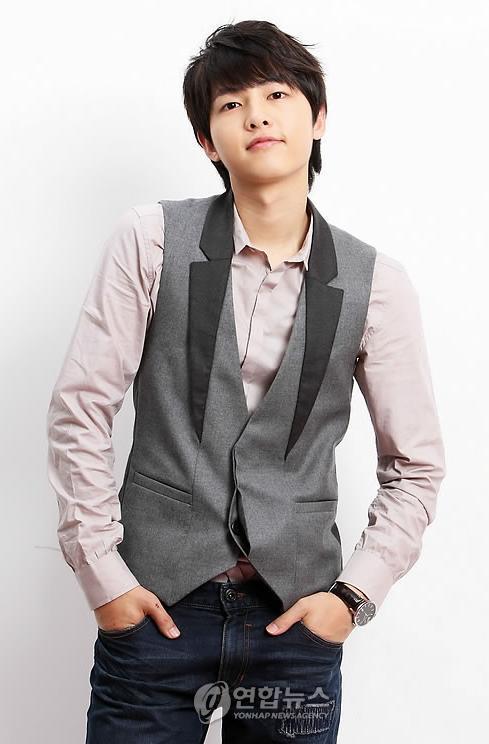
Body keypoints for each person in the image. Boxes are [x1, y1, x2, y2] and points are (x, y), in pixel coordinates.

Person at [46, 19, 446, 743]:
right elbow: (80, 409)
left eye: (277, 94)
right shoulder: (151, 239)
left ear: (317, 117)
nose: (257, 115)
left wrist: (353, 596)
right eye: (231, 104)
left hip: (296, 621)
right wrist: (103, 577)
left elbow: (415, 466)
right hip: (155, 611)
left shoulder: (376, 284)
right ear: (207, 140)